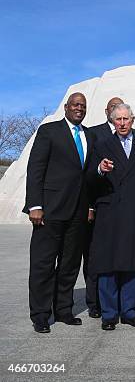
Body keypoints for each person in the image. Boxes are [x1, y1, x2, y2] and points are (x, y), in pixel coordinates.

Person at [23, 92, 95, 333]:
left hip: (78, 212)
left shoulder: (89, 135)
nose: (79, 108)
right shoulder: (49, 131)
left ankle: (64, 309)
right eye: (75, 104)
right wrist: (35, 205)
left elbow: (87, 175)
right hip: (49, 211)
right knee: (43, 265)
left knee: (69, 264)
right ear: (66, 107)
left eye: (83, 106)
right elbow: (36, 169)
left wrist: (90, 206)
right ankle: (41, 314)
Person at [88, 103, 135, 331]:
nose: (122, 123)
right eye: (118, 119)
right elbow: (89, 176)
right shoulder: (102, 145)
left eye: (126, 119)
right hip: (110, 211)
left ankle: (129, 312)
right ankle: (109, 314)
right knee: (107, 264)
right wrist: (100, 169)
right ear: (112, 121)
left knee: (131, 263)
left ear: (133, 120)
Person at [83, 96, 124, 319]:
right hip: (98, 205)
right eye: (113, 108)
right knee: (94, 256)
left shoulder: (131, 136)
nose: (117, 112)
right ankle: (94, 302)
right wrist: (89, 205)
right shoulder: (93, 133)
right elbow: (87, 173)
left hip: (120, 208)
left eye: (121, 108)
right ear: (106, 111)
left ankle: (114, 300)